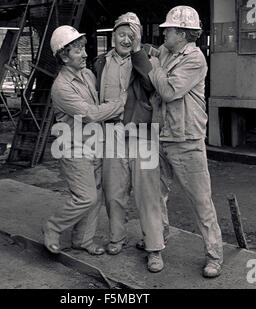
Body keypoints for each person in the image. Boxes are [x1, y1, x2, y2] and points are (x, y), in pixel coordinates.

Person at [147, 6, 224, 278]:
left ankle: (214, 255)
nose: (163, 32)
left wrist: (153, 66)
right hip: (161, 135)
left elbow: (168, 91)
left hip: (186, 139)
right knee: (155, 196)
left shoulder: (195, 59)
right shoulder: (167, 51)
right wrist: (150, 52)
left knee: (200, 201)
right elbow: (157, 55)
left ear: (182, 33)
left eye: (168, 29)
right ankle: (157, 242)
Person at [42, 25, 124, 255]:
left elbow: (98, 106)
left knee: (95, 196)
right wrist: (120, 104)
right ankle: (53, 227)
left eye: (83, 48)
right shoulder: (61, 88)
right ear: (64, 56)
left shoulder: (87, 74)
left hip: (93, 144)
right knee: (86, 197)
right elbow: (91, 114)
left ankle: (83, 240)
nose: (85, 54)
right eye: (77, 50)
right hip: (73, 149)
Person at [94, 13, 165, 273]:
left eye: (132, 35)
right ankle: (117, 237)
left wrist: (138, 53)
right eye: (122, 34)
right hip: (112, 135)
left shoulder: (149, 58)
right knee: (113, 193)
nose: (126, 39)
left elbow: (150, 85)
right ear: (113, 35)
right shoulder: (101, 62)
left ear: (139, 38)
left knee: (148, 196)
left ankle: (154, 248)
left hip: (143, 135)